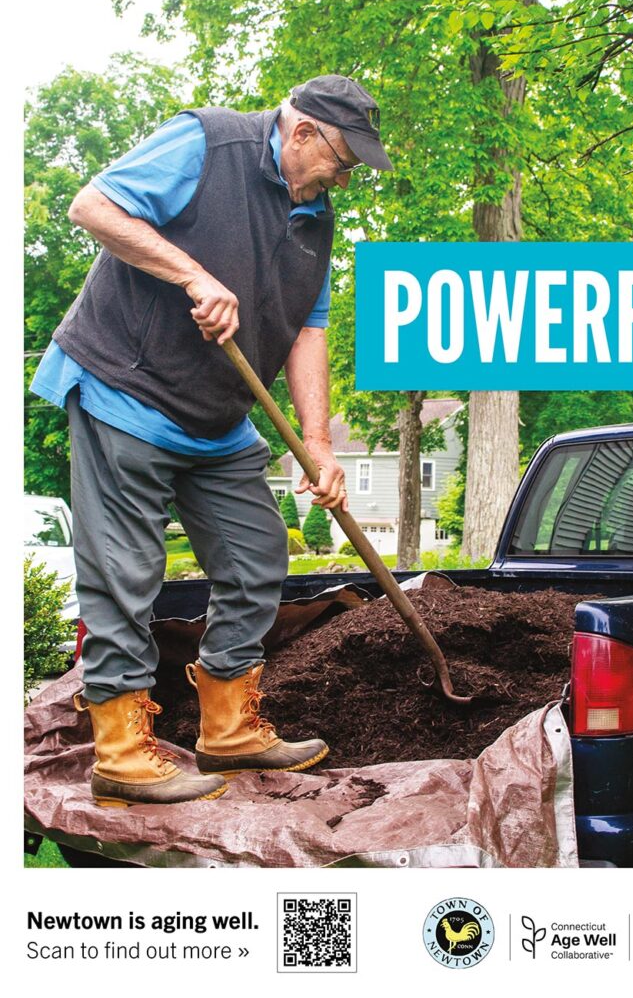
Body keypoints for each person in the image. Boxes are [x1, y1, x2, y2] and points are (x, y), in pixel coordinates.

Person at [30, 75, 393, 808]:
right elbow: (91, 206)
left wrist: (316, 445)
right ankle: (122, 751)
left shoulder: (314, 217)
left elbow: (307, 329)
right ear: (301, 134)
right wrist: (194, 275)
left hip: (217, 418)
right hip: (126, 391)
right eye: (343, 159)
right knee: (126, 573)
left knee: (257, 555)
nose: (345, 177)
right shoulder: (207, 142)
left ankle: (226, 728)